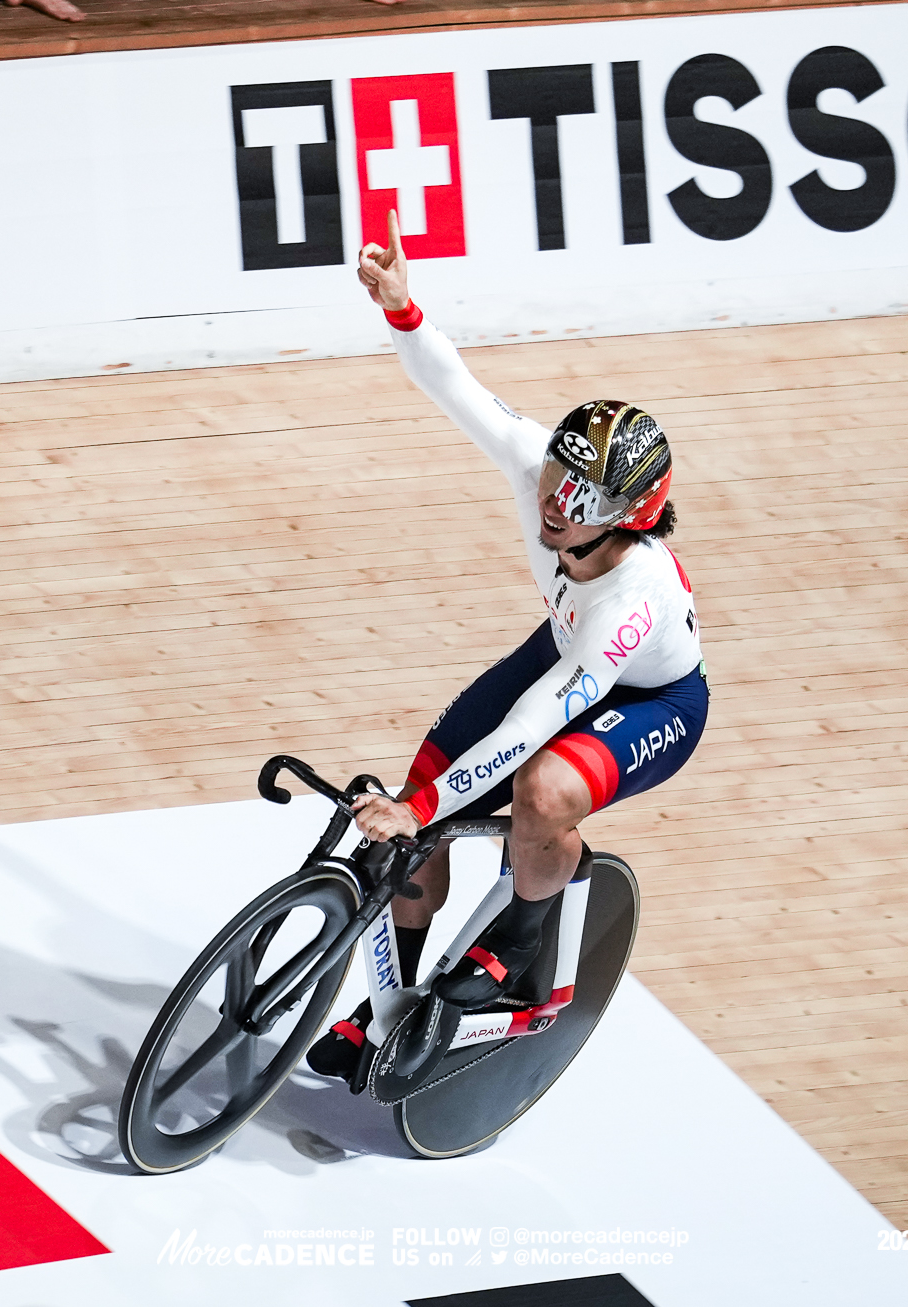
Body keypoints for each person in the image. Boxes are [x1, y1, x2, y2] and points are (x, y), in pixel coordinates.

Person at [308, 212, 708, 1075]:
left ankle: (520, 943)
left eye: (583, 493)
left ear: (630, 516)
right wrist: (404, 311)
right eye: (560, 472)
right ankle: (391, 1006)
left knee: (541, 787)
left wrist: (429, 803)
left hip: (648, 698)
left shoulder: (631, 597)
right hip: (559, 649)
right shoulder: (539, 475)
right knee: (414, 806)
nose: (555, 500)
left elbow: (538, 720)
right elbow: (454, 385)